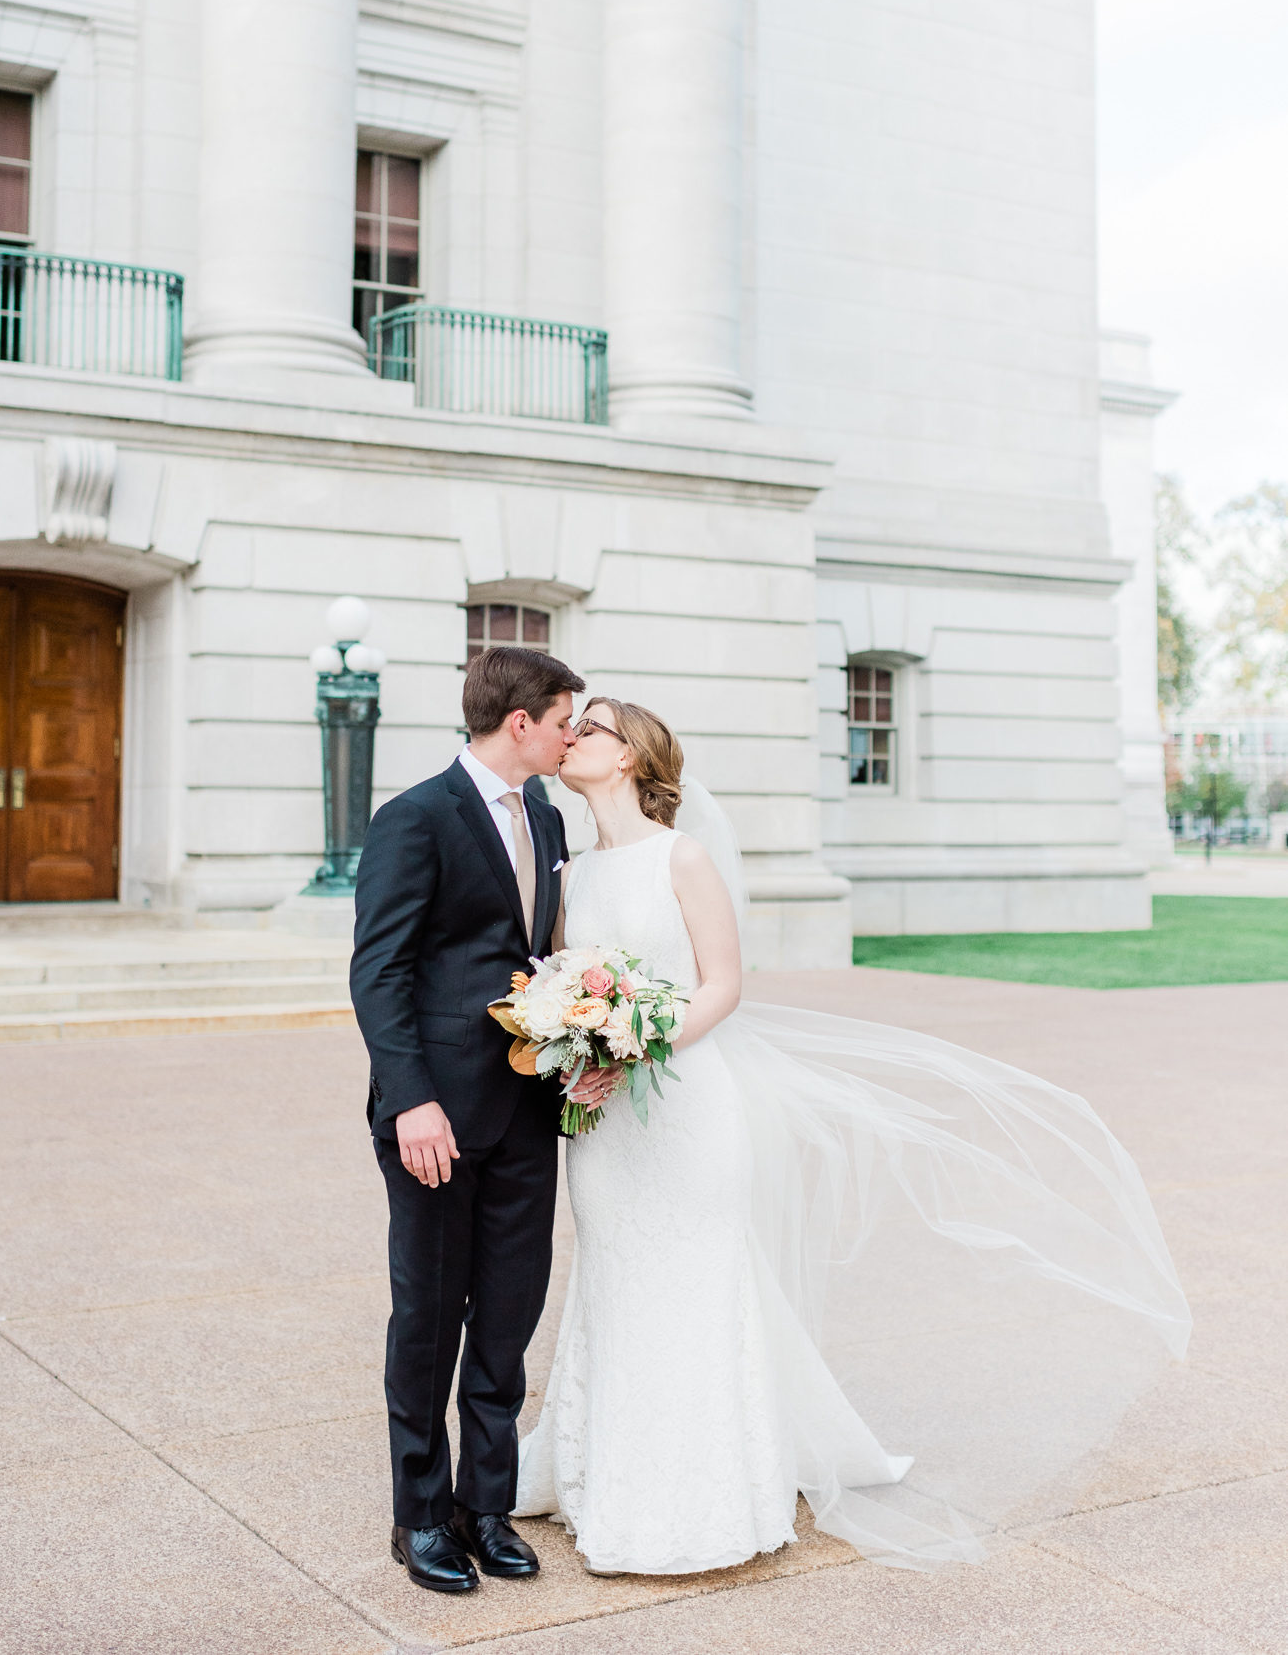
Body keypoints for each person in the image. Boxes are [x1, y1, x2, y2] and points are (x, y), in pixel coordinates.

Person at [514, 697, 1193, 1577]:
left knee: (694, 1277)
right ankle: (602, 1465)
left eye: (591, 728)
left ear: (632, 756)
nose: (573, 739)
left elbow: (722, 986)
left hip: (685, 1104)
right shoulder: (572, 876)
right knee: (614, 1277)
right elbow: (567, 980)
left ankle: (695, 1488)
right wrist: (583, 1051)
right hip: (606, 1122)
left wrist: (639, 1044)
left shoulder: (682, 858)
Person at [350, 644, 585, 1595]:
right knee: (429, 1315)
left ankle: (486, 1505)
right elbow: (380, 968)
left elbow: (544, 955)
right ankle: (420, 1514)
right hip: (435, 1115)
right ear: (519, 722)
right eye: (565, 719)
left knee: (508, 1315)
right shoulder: (415, 817)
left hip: (529, 1103)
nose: (575, 734)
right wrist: (411, 1098)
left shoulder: (549, 814)